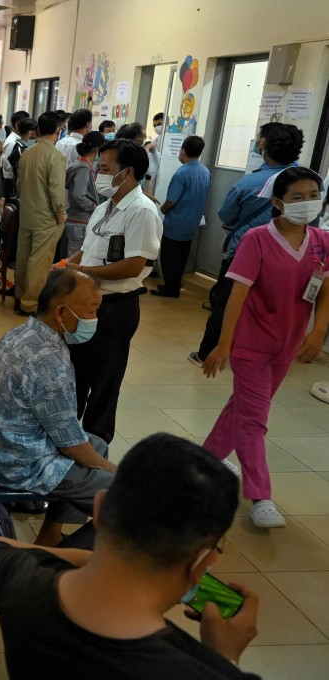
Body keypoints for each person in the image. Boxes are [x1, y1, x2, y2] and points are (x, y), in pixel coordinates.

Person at [0, 433, 262, 680]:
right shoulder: (197, 669)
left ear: (100, 509)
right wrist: (224, 659)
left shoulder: (22, 585)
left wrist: (99, 564)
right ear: (202, 563)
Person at [202, 167, 329, 528]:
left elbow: (325, 291)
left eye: (313, 196)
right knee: (254, 421)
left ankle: (204, 461)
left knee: (242, 409)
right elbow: (237, 296)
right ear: (278, 202)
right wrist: (223, 344)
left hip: (286, 345)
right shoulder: (256, 239)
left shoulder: (322, 241)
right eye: (297, 197)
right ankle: (261, 496)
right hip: (251, 346)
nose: (307, 203)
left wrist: (318, 332)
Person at [0, 268, 114, 546]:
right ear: (61, 312)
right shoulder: (50, 361)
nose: (94, 319)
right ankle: (52, 559)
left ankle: (49, 535)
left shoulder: (21, 333)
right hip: (21, 464)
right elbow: (72, 446)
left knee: (97, 445)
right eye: (91, 311)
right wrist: (114, 471)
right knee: (127, 500)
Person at [64, 139, 162, 443]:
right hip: (86, 301)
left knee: (105, 380)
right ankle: (67, 436)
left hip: (116, 306)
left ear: (128, 172)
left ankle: (96, 442)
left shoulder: (142, 211)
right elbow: (88, 248)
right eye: (99, 167)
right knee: (76, 372)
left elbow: (134, 265)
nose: (98, 174)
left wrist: (84, 271)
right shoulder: (105, 207)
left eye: (105, 169)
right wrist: (67, 264)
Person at [191, 123, 304, 365]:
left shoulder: (249, 183)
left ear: (264, 147)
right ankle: (263, 355)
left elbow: (226, 214)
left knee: (225, 302)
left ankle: (207, 353)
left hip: (243, 252)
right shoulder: (307, 182)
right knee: (271, 305)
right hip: (288, 254)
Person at [15, 112, 67, 315]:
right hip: (46, 216)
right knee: (39, 261)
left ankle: (19, 296)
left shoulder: (27, 152)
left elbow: (19, 185)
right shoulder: (55, 156)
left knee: (23, 257)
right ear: (58, 130)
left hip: (27, 213)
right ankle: (30, 303)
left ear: (37, 130)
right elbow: (56, 190)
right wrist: (61, 214)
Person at [151, 135, 212, 298]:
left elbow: (171, 201)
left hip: (176, 223)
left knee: (169, 256)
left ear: (183, 151)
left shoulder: (182, 174)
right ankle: (174, 285)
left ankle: (170, 288)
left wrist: (163, 209)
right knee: (182, 256)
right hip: (192, 222)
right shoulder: (205, 171)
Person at [64, 131, 105, 257]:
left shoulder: (82, 166)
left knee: (74, 258)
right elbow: (78, 195)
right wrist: (94, 208)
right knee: (74, 260)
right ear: (97, 149)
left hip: (77, 220)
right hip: (79, 221)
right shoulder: (83, 169)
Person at [3, 116, 38, 198]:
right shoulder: (20, 149)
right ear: (30, 132)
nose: (37, 135)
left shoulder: (20, 146)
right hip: (19, 189)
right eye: (36, 132)